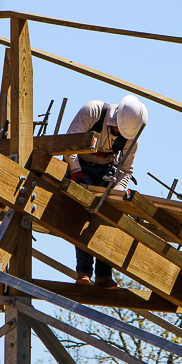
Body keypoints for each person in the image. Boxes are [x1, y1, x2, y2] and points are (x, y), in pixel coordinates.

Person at [64, 95, 148, 287]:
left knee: (107, 219)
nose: (120, 133)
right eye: (118, 129)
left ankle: (104, 276)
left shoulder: (131, 135)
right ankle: (83, 272)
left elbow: (126, 169)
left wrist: (117, 194)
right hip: (80, 165)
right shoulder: (92, 111)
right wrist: (76, 173)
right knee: (83, 216)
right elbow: (70, 145)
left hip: (106, 171)